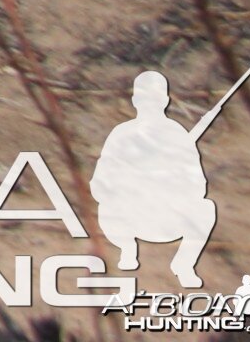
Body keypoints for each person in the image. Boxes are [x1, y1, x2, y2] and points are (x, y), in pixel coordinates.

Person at [90, 69, 220, 290]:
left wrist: (169, 182)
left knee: (206, 209)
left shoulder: (178, 135)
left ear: (165, 100)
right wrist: (127, 185)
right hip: (129, 216)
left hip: (166, 216)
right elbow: (99, 184)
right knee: (107, 208)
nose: (150, 103)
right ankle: (128, 250)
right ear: (135, 100)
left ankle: (184, 265)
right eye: (144, 98)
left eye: (155, 98)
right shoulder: (121, 134)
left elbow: (198, 185)